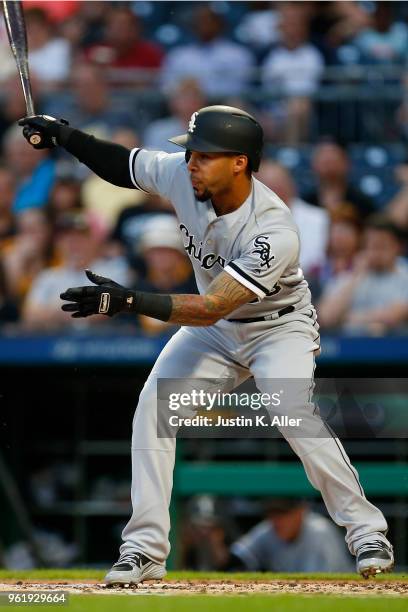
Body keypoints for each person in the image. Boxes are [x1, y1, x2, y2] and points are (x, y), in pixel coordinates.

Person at [19, 105, 394, 584]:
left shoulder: (273, 230)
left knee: (291, 412)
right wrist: (64, 135)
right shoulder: (184, 174)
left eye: (204, 155)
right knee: (153, 409)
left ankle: (366, 530)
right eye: (191, 152)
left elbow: (213, 304)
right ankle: (144, 550)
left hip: (277, 327)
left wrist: (129, 299)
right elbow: (123, 165)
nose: (191, 162)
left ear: (239, 162)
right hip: (214, 332)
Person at [318, 216, 408, 335]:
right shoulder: (353, 274)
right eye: (370, 246)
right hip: (350, 349)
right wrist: (356, 277)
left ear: (397, 247)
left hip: (395, 348)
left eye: (381, 246)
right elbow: (326, 316)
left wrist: (347, 319)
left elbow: (393, 316)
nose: (375, 252)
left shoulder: (405, 275)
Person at [227, 498, 354, 572]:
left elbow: (318, 580)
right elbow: (237, 557)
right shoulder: (269, 529)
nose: (277, 520)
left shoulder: (319, 531)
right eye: (272, 513)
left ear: (301, 511)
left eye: (283, 513)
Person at [161, 6, 255, 99]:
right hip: (190, 108)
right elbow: (168, 87)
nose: (204, 25)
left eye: (209, 21)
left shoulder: (238, 54)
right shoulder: (179, 55)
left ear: (220, 24)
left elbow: (243, 88)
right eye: (199, 21)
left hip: (225, 106)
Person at [256, 161, 329, 281]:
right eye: (267, 187)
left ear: (291, 186)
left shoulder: (318, 218)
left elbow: (314, 259)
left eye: (279, 186)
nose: (274, 193)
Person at [304, 141, 376, 220]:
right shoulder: (306, 203)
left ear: (346, 163)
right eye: (325, 162)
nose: (329, 168)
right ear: (314, 165)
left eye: (333, 161)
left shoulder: (362, 203)